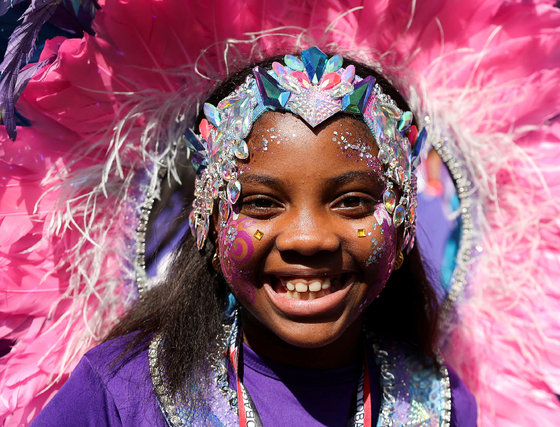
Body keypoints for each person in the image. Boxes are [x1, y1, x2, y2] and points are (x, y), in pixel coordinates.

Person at [29, 49, 478, 426]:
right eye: (262, 203)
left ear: (402, 227)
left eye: (351, 202)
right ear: (210, 223)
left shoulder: (441, 403)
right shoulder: (120, 394)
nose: (308, 238)